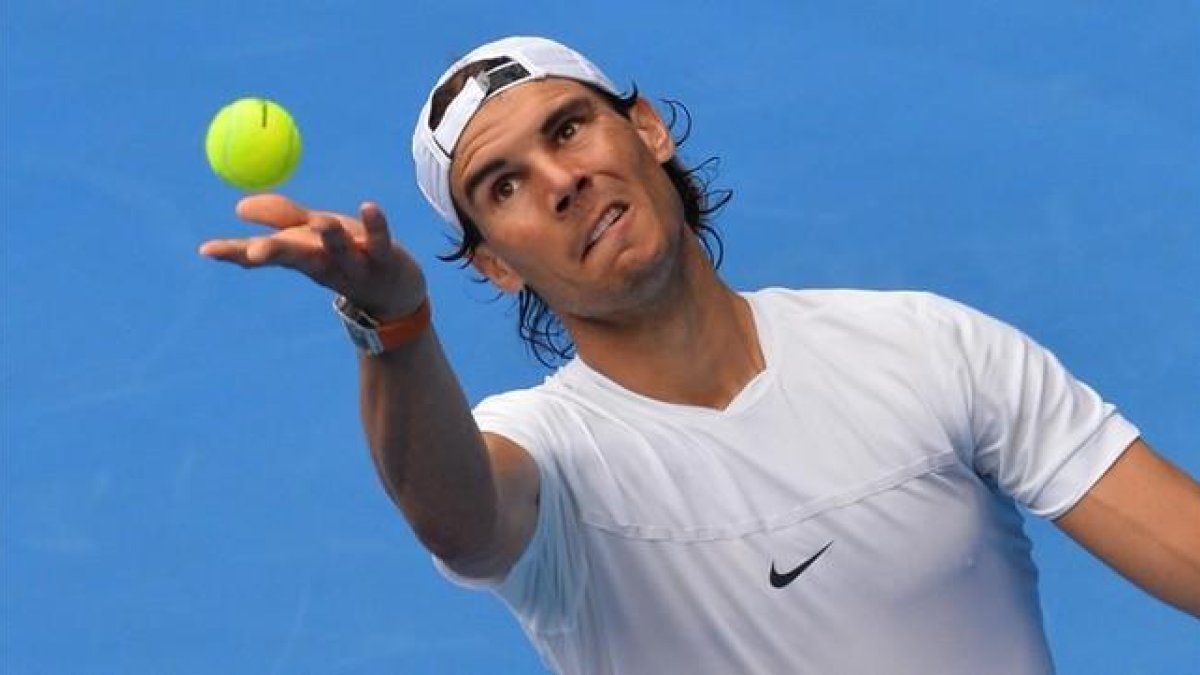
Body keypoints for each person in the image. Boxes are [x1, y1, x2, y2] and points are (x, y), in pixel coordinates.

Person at [199, 36, 1200, 675]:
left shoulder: (926, 347)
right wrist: (396, 327)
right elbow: (460, 520)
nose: (562, 181)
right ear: (496, 266)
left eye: (572, 127)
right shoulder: (539, 456)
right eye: (503, 186)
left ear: (646, 130)